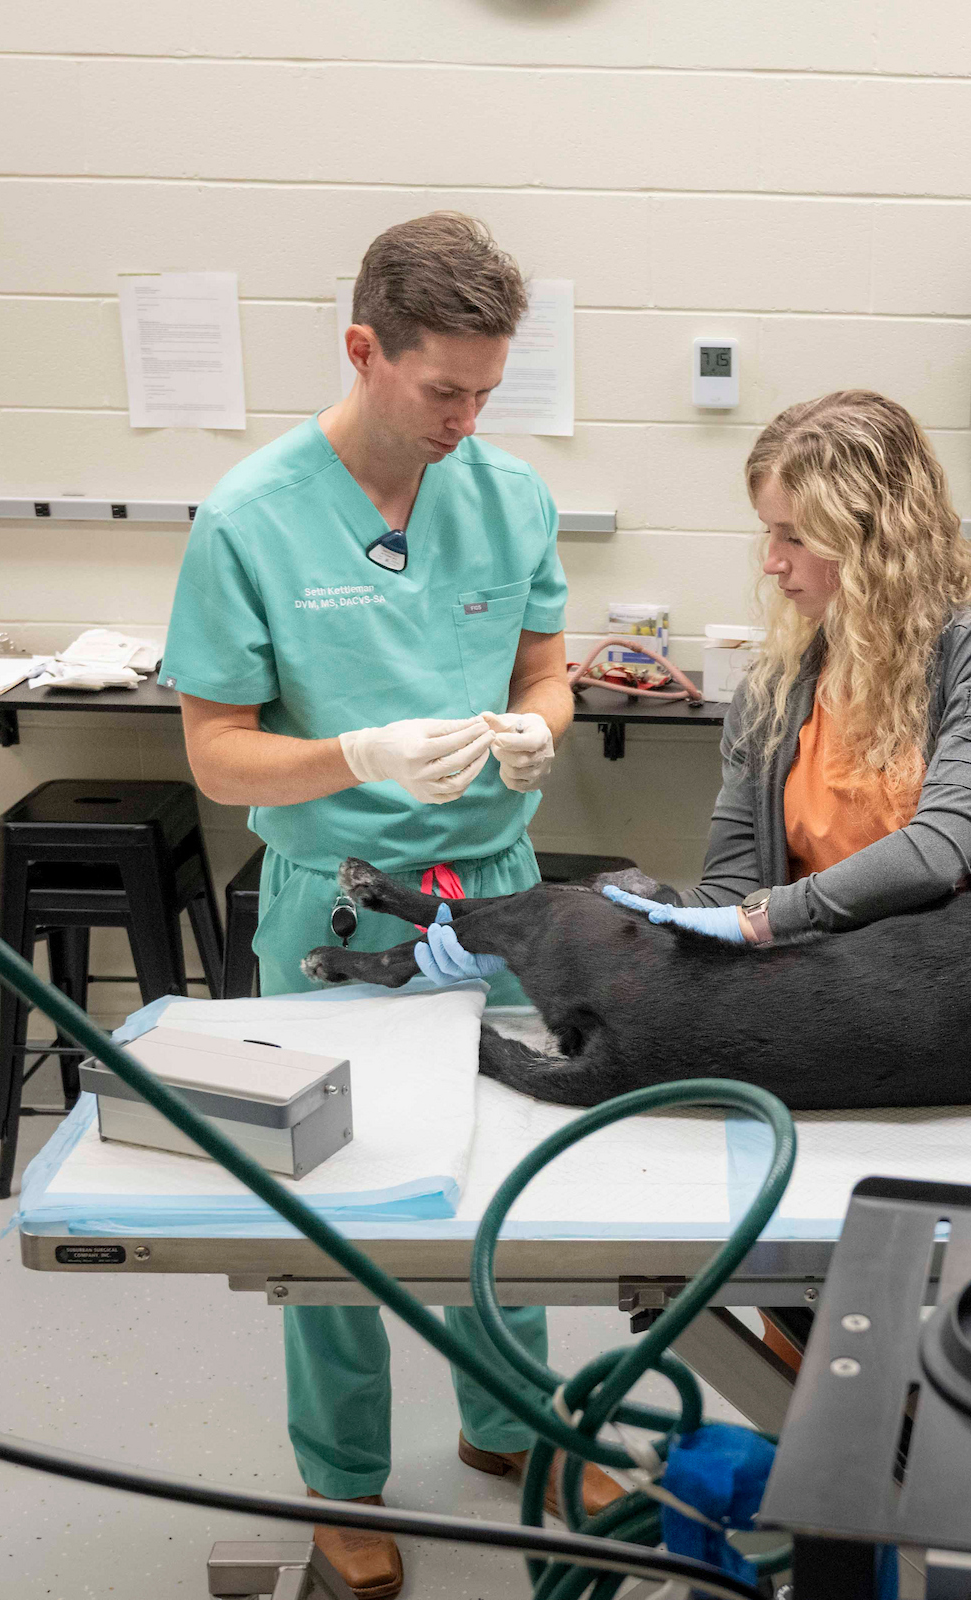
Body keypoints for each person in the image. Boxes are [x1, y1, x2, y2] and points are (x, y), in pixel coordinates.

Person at [159, 212, 610, 1598]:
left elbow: (549, 669)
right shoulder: (250, 517)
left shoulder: (509, 496)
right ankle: (344, 1480)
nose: (469, 421)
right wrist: (350, 755)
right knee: (334, 1203)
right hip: (332, 904)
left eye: (489, 391)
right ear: (366, 350)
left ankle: (511, 1430)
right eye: (443, 392)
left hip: (495, 890)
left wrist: (541, 725)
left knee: (505, 1180)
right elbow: (216, 750)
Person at [600, 389, 971, 943]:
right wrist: (613, 924)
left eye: (797, 536)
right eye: (769, 530)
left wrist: (763, 919)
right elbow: (731, 889)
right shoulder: (774, 688)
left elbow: (936, 852)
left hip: (944, 988)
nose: (771, 561)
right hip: (806, 982)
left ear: (875, 539)